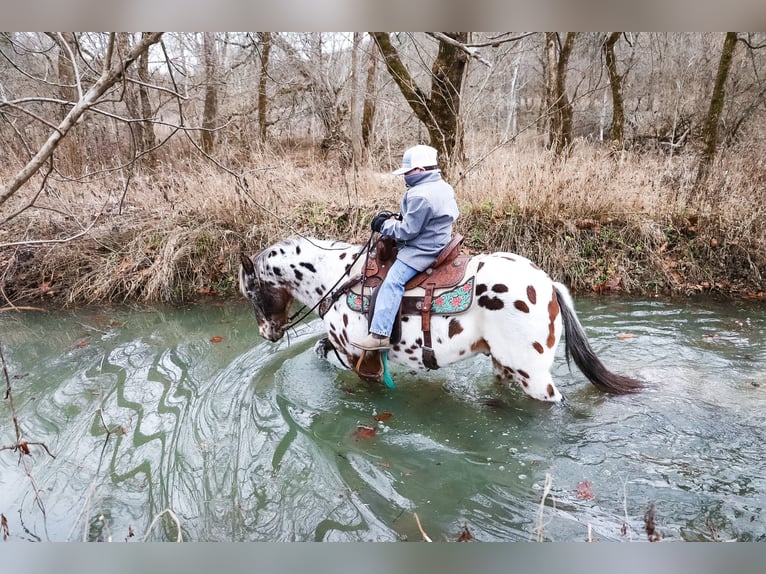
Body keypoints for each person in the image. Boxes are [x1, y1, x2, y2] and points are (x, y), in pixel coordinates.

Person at [352, 144, 459, 351]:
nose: (405, 176)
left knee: (393, 282)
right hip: (439, 239)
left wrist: (383, 225)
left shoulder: (419, 195)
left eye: (408, 171)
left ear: (419, 170)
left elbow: (407, 231)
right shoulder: (443, 186)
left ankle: (379, 335)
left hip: (423, 250)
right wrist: (396, 219)